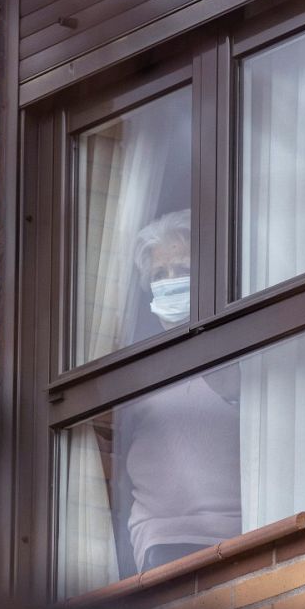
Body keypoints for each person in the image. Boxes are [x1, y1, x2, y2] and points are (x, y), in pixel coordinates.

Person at [114, 210, 242, 572]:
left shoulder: (242, 349)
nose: (170, 282)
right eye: (159, 275)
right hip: (162, 544)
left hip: (242, 535)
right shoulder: (134, 373)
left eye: (182, 272)